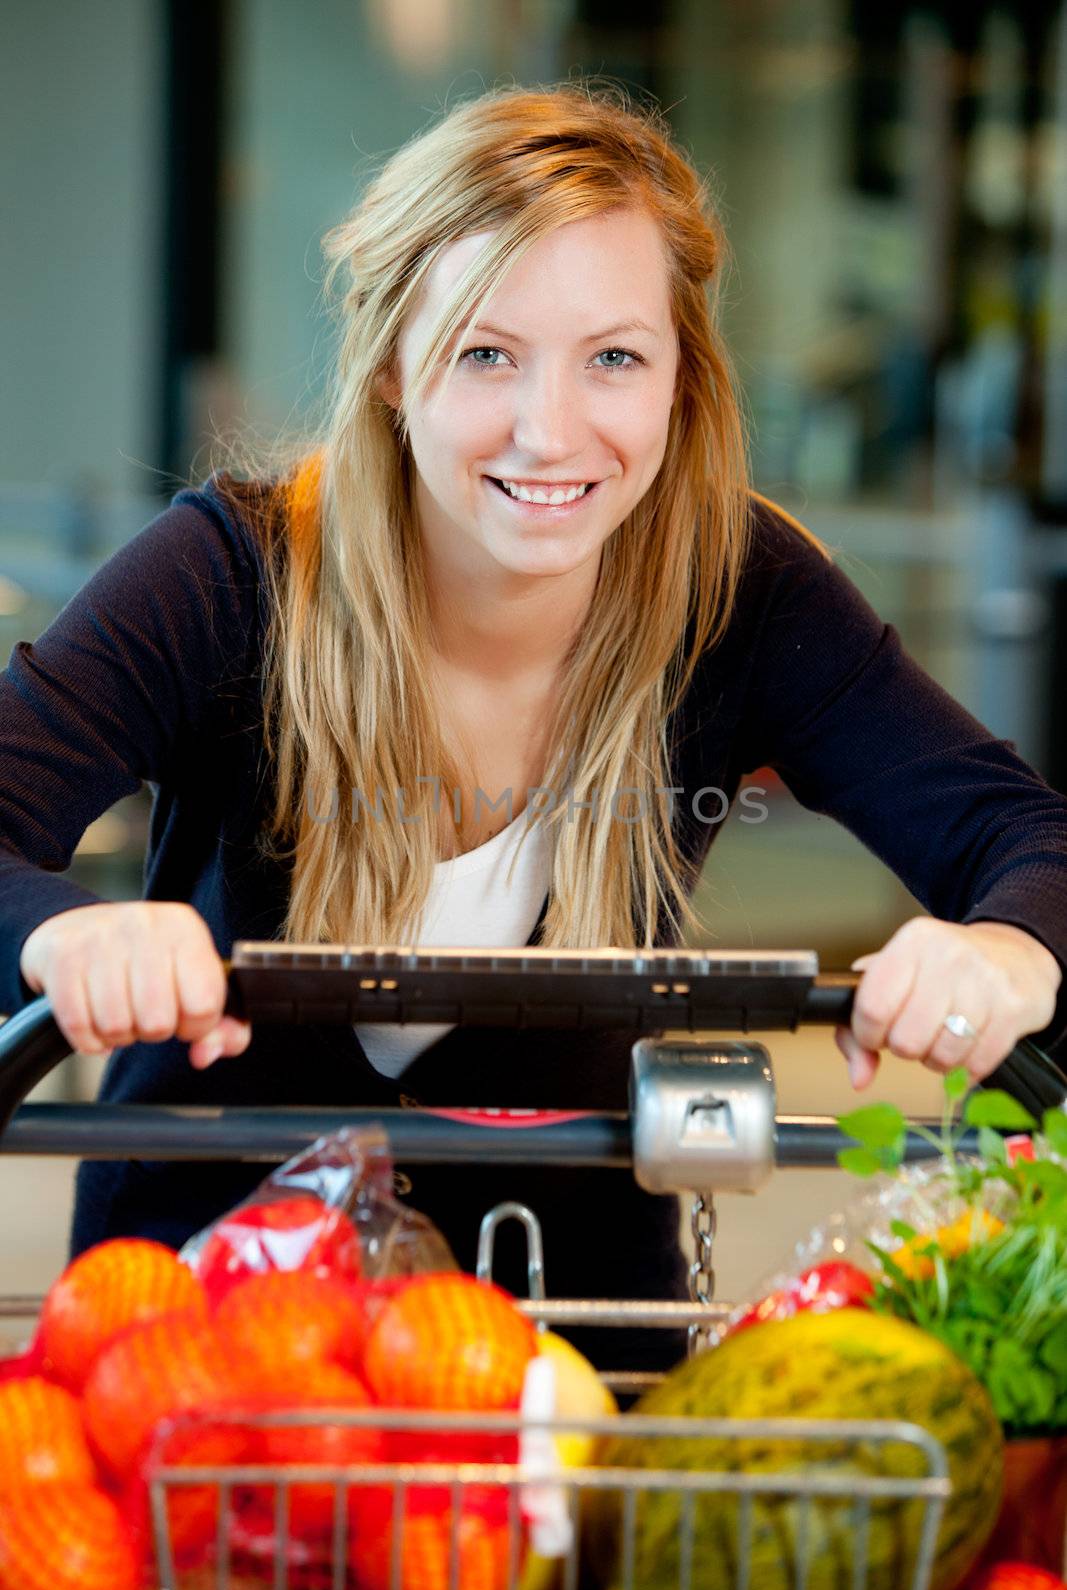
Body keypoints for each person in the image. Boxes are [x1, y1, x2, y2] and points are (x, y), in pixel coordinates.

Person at [2, 82, 1066, 1367]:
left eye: (613, 357)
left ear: (681, 379)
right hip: (200, 1358)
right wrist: (69, 931)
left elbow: (1014, 833)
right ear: (395, 364)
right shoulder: (234, 575)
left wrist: (1007, 945)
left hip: (576, 1342)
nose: (549, 430)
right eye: (486, 353)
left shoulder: (737, 589)